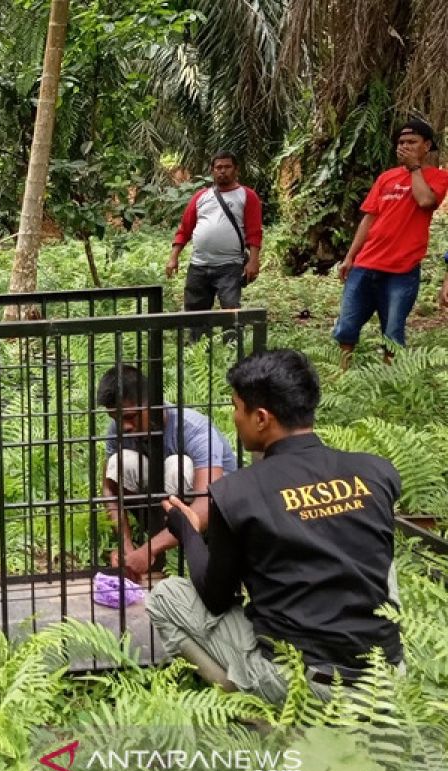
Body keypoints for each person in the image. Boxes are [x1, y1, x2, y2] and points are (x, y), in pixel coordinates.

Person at [147, 350, 403, 705]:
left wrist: (187, 529)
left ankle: (253, 705)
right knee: (384, 564)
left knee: (164, 598)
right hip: (383, 674)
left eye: (237, 407)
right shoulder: (377, 472)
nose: (234, 417)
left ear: (262, 418)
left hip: (303, 680)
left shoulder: (236, 493)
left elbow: (217, 598)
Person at [98, 365, 237, 581]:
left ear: (153, 402)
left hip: (212, 519)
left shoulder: (193, 428)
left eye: (131, 417)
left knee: (176, 466)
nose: (124, 427)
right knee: (119, 462)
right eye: (116, 419)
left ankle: (175, 548)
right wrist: (126, 547)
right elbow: (109, 487)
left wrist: (149, 550)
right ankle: (157, 538)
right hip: (161, 505)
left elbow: (207, 503)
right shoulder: (118, 430)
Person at [334, 119, 448, 367]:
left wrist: (415, 169)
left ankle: (388, 379)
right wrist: (350, 256)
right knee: (347, 324)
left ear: (426, 146)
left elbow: (426, 202)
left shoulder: (438, 177)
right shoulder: (386, 178)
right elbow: (369, 218)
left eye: (412, 142)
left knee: (393, 331)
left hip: (402, 269)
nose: (404, 147)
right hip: (366, 264)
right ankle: (341, 376)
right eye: (401, 142)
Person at [166, 151, 263, 311]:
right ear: (212, 171)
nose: (222, 171)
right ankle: (196, 337)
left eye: (227, 167)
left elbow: (254, 233)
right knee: (194, 314)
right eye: (218, 167)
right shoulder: (201, 196)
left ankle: (231, 337)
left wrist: (253, 261)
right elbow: (184, 230)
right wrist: (173, 258)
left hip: (230, 265)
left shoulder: (247, 196)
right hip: (199, 265)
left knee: (231, 312)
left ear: (236, 170)